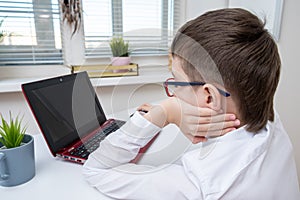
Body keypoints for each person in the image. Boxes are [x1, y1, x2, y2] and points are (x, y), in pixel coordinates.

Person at [83, 8, 299, 199]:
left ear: (209, 98)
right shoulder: (272, 126)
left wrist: (169, 111)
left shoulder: (196, 184)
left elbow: (97, 170)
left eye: (176, 82)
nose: (173, 94)